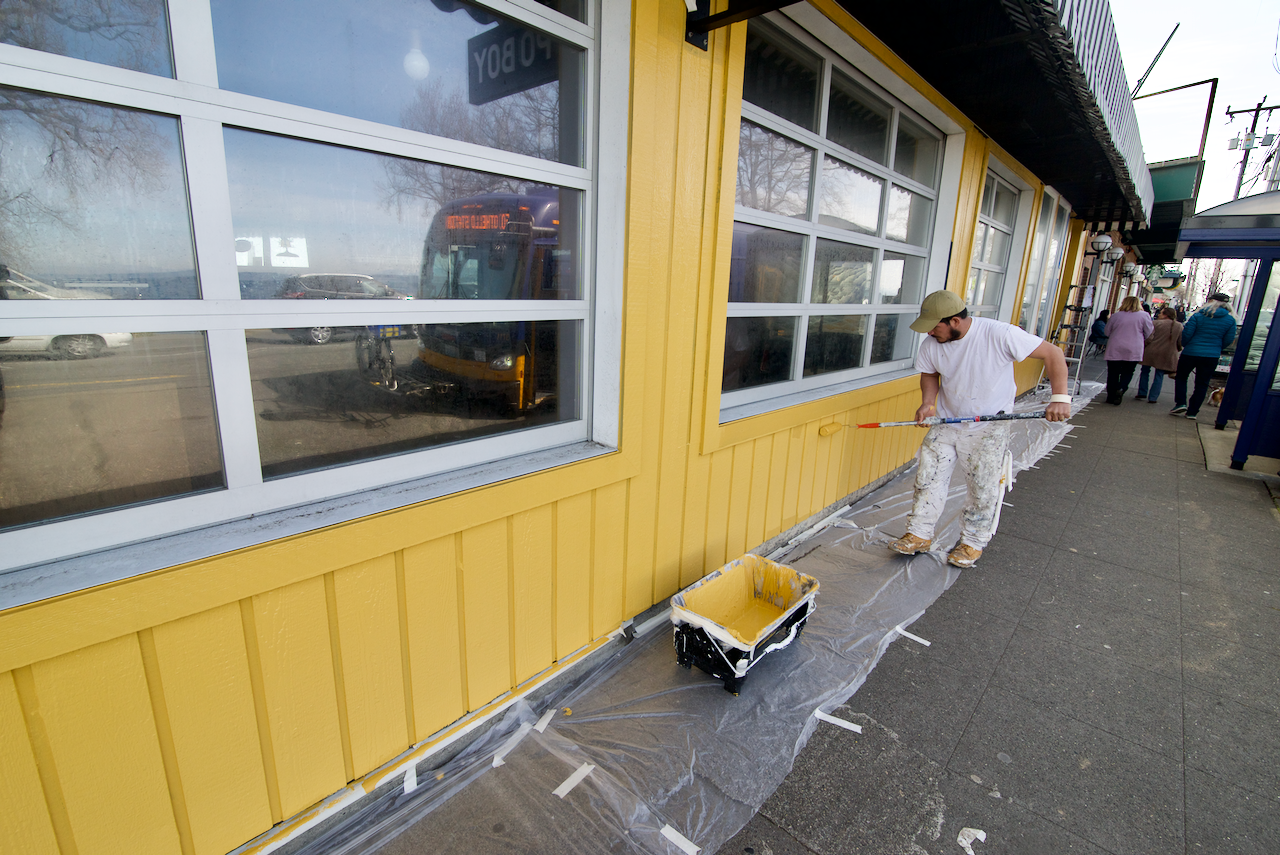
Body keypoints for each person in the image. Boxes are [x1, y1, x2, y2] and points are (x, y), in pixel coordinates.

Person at [889, 290, 1070, 569]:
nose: (929, 332)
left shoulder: (999, 334)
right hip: (947, 421)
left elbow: (1053, 353)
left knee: (982, 486)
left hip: (989, 425)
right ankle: (919, 534)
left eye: (935, 326)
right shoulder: (932, 342)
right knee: (928, 477)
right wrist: (928, 403)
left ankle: (972, 542)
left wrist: (1059, 398)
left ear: (955, 321)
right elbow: (930, 373)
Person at [1171, 292, 1237, 419]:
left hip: (1191, 352)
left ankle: (1180, 403)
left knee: (1181, 377)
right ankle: (1192, 411)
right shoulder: (1230, 320)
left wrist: (1186, 345)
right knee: (1202, 383)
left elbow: (1187, 334)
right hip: (1211, 355)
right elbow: (1229, 339)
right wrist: (1217, 348)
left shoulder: (1198, 316)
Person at [1103, 296, 1153, 405]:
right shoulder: (1144, 316)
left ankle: (1110, 396)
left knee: (1113, 373)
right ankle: (1121, 388)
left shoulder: (1116, 316)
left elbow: (1106, 332)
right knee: (1128, 371)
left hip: (1115, 347)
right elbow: (1148, 332)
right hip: (1133, 348)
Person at [1136, 307, 1182, 404]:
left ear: (1166, 315)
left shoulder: (1155, 323)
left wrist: (1144, 345)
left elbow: (1148, 337)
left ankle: (1142, 392)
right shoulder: (1178, 326)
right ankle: (1153, 397)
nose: (1159, 314)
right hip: (1167, 353)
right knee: (1159, 375)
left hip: (1151, 351)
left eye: (1161, 313)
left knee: (1145, 371)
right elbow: (1180, 342)